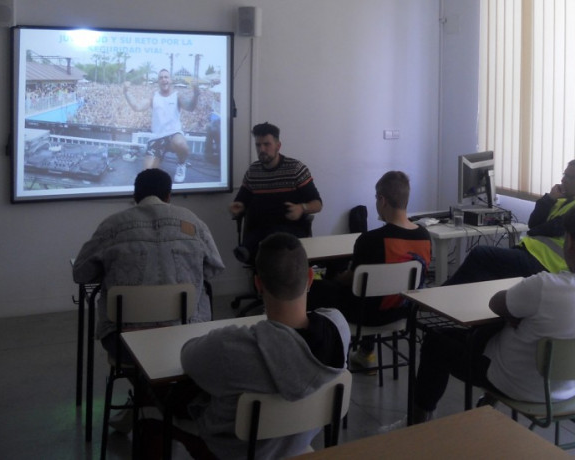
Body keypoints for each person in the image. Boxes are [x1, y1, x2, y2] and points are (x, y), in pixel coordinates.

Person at [169, 233, 351, 459]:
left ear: (258, 284)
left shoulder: (230, 346)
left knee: (156, 405)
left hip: (234, 450)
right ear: (310, 277)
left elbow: (188, 357)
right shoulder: (339, 327)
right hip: (299, 442)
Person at [413, 206, 575, 424]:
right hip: (566, 392)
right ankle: (488, 401)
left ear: (570, 243)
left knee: (436, 341)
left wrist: (515, 315)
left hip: (514, 384)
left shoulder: (545, 286)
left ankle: (420, 420)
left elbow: (496, 303)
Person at [72, 168, 225, 363]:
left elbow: (80, 273)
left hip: (124, 341)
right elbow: (214, 269)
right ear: (169, 196)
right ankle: (166, 391)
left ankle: (149, 389)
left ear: (135, 196)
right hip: (187, 334)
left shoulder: (111, 226)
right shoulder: (194, 223)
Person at [307, 171, 431, 369]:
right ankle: (366, 352)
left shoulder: (369, 240)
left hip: (364, 315)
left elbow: (353, 279)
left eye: (376, 198)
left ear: (382, 200)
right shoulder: (424, 237)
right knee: (372, 291)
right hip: (402, 313)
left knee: (313, 288)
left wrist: (336, 277)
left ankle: (319, 359)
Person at [443, 160, 575, 285]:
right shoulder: (561, 201)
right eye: (564, 174)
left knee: (480, 255)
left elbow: (547, 229)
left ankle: (441, 296)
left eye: (568, 177)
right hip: (531, 254)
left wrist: (535, 229)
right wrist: (549, 198)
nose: (563, 180)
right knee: (485, 270)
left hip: (547, 264)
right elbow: (533, 223)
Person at [229, 122, 323, 263]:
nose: (262, 149)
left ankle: (249, 249)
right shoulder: (253, 171)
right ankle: (248, 250)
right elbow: (242, 200)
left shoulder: (295, 169)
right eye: (258, 145)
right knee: (262, 235)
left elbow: (317, 204)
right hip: (260, 227)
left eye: (267, 144)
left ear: (278, 146)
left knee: (273, 236)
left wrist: (301, 208)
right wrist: (237, 207)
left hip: (289, 228)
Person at [123, 69, 199, 183]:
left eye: (166, 77)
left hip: (174, 135)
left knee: (181, 144)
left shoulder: (177, 96)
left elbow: (190, 107)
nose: (164, 79)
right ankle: (159, 156)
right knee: (147, 174)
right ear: (158, 81)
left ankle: (181, 164)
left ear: (170, 80)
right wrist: (126, 92)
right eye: (161, 77)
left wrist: (196, 94)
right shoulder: (154, 97)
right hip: (157, 138)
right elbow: (137, 107)